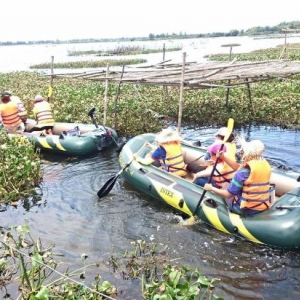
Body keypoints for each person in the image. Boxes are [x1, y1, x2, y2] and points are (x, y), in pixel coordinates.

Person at [203, 139, 272, 216]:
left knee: (226, 197)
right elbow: (238, 168)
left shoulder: (241, 174)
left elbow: (228, 195)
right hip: (263, 205)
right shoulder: (264, 165)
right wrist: (223, 157)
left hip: (246, 210)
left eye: (242, 151)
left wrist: (211, 188)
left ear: (247, 153)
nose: (241, 153)